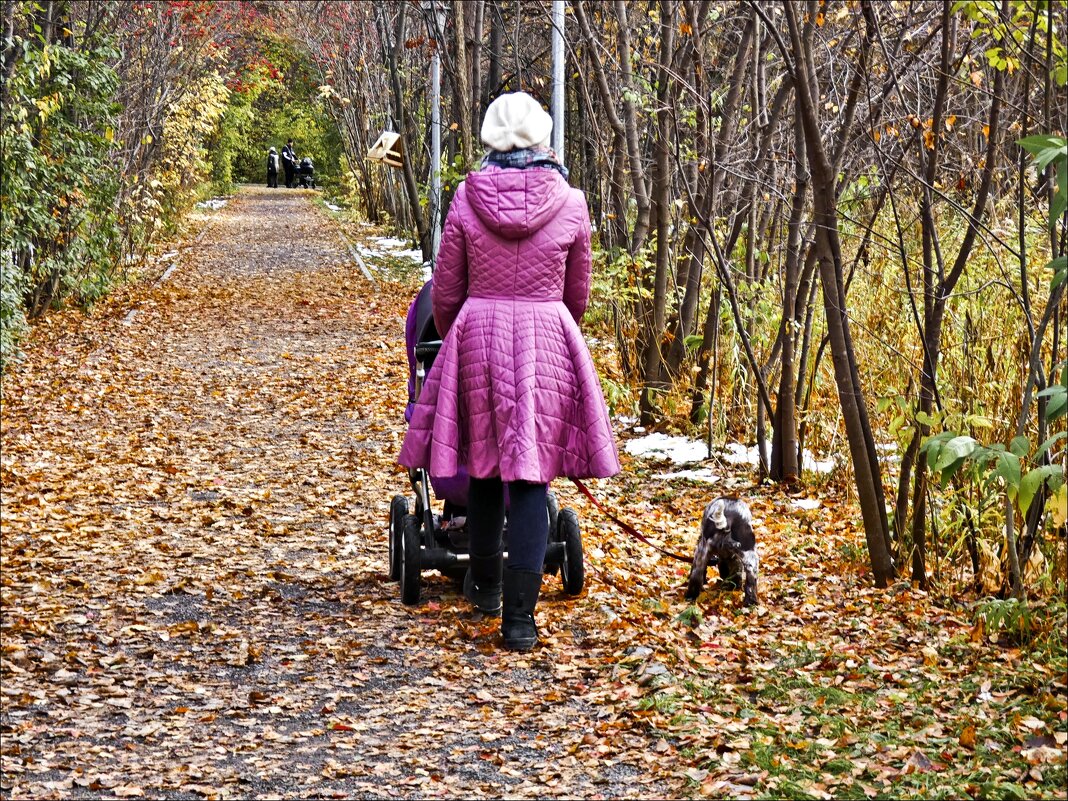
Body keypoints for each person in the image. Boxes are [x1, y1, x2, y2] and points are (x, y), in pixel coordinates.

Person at [398, 91, 620, 651]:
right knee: (531, 477)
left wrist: (459, 332)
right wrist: (547, 325)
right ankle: (520, 621)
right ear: (543, 138)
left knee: (483, 467)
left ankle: (488, 587)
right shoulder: (571, 202)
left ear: (490, 139)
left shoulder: (467, 198)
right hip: (546, 335)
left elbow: (446, 289)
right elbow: (578, 293)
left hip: (478, 334)